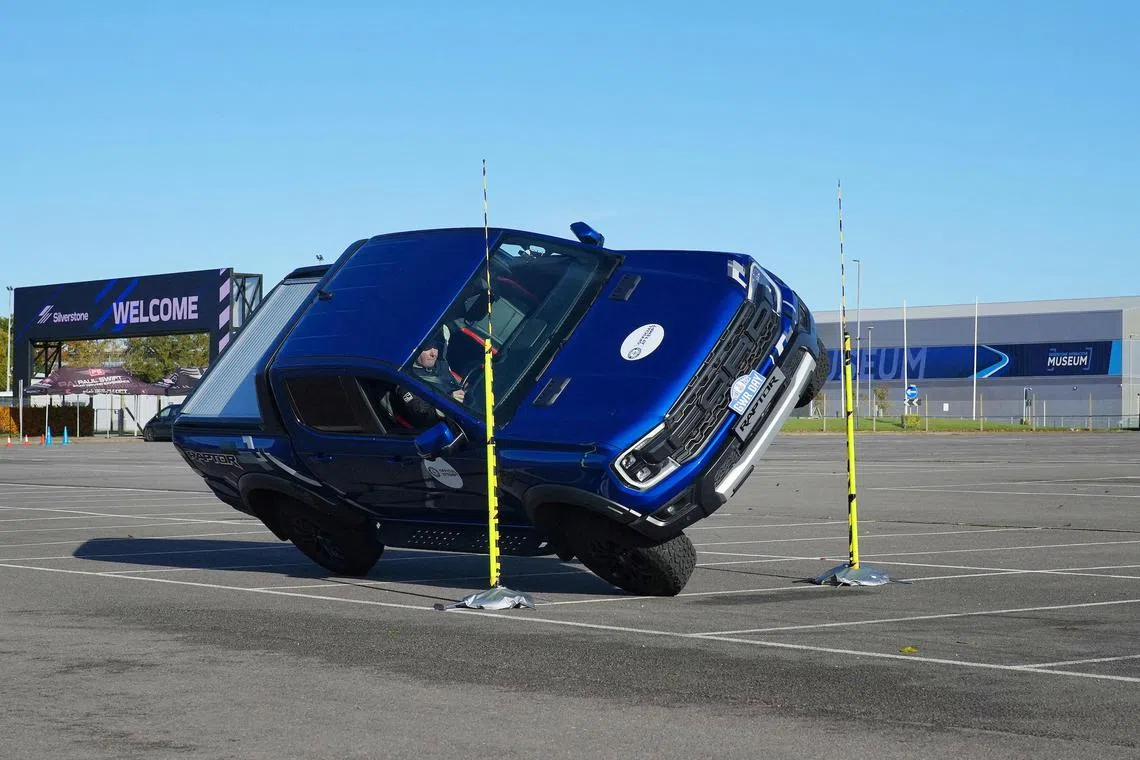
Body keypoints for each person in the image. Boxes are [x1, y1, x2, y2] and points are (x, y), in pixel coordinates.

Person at [388, 330, 466, 430]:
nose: (433, 354)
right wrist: (447, 404)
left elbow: (454, 385)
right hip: (444, 428)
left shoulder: (441, 364)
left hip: (464, 412)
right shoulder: (405, 379)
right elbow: (421, 414)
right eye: (427, 348)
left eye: (436, 347)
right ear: (415, 351)